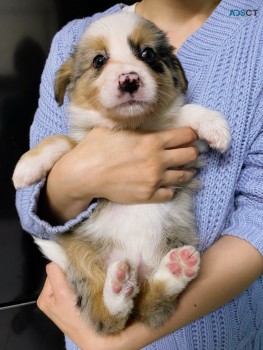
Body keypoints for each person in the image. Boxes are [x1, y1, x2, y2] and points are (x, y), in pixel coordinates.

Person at [16, 0, 263, 349]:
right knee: (96, 273)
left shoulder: (255, 25)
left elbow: (259, 217)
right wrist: (76, 174)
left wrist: (121, 342)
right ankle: (115, 303)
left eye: (146, 56)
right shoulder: (71, 40)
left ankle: (155, 292)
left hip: (225, 337)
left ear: (173, 71)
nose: (128, 75)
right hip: (96, 287)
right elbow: (31, 203)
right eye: (100, 62)